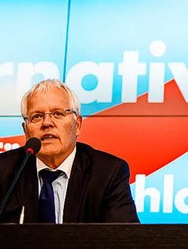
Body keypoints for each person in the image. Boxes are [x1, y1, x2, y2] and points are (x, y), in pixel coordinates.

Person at [0, 79, 139, 223]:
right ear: (26, 130)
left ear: (77, 125)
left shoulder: (108, 173)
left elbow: (125, 238)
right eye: (37, 116)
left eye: (58, 114)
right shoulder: (4, 171)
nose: (47, 123)